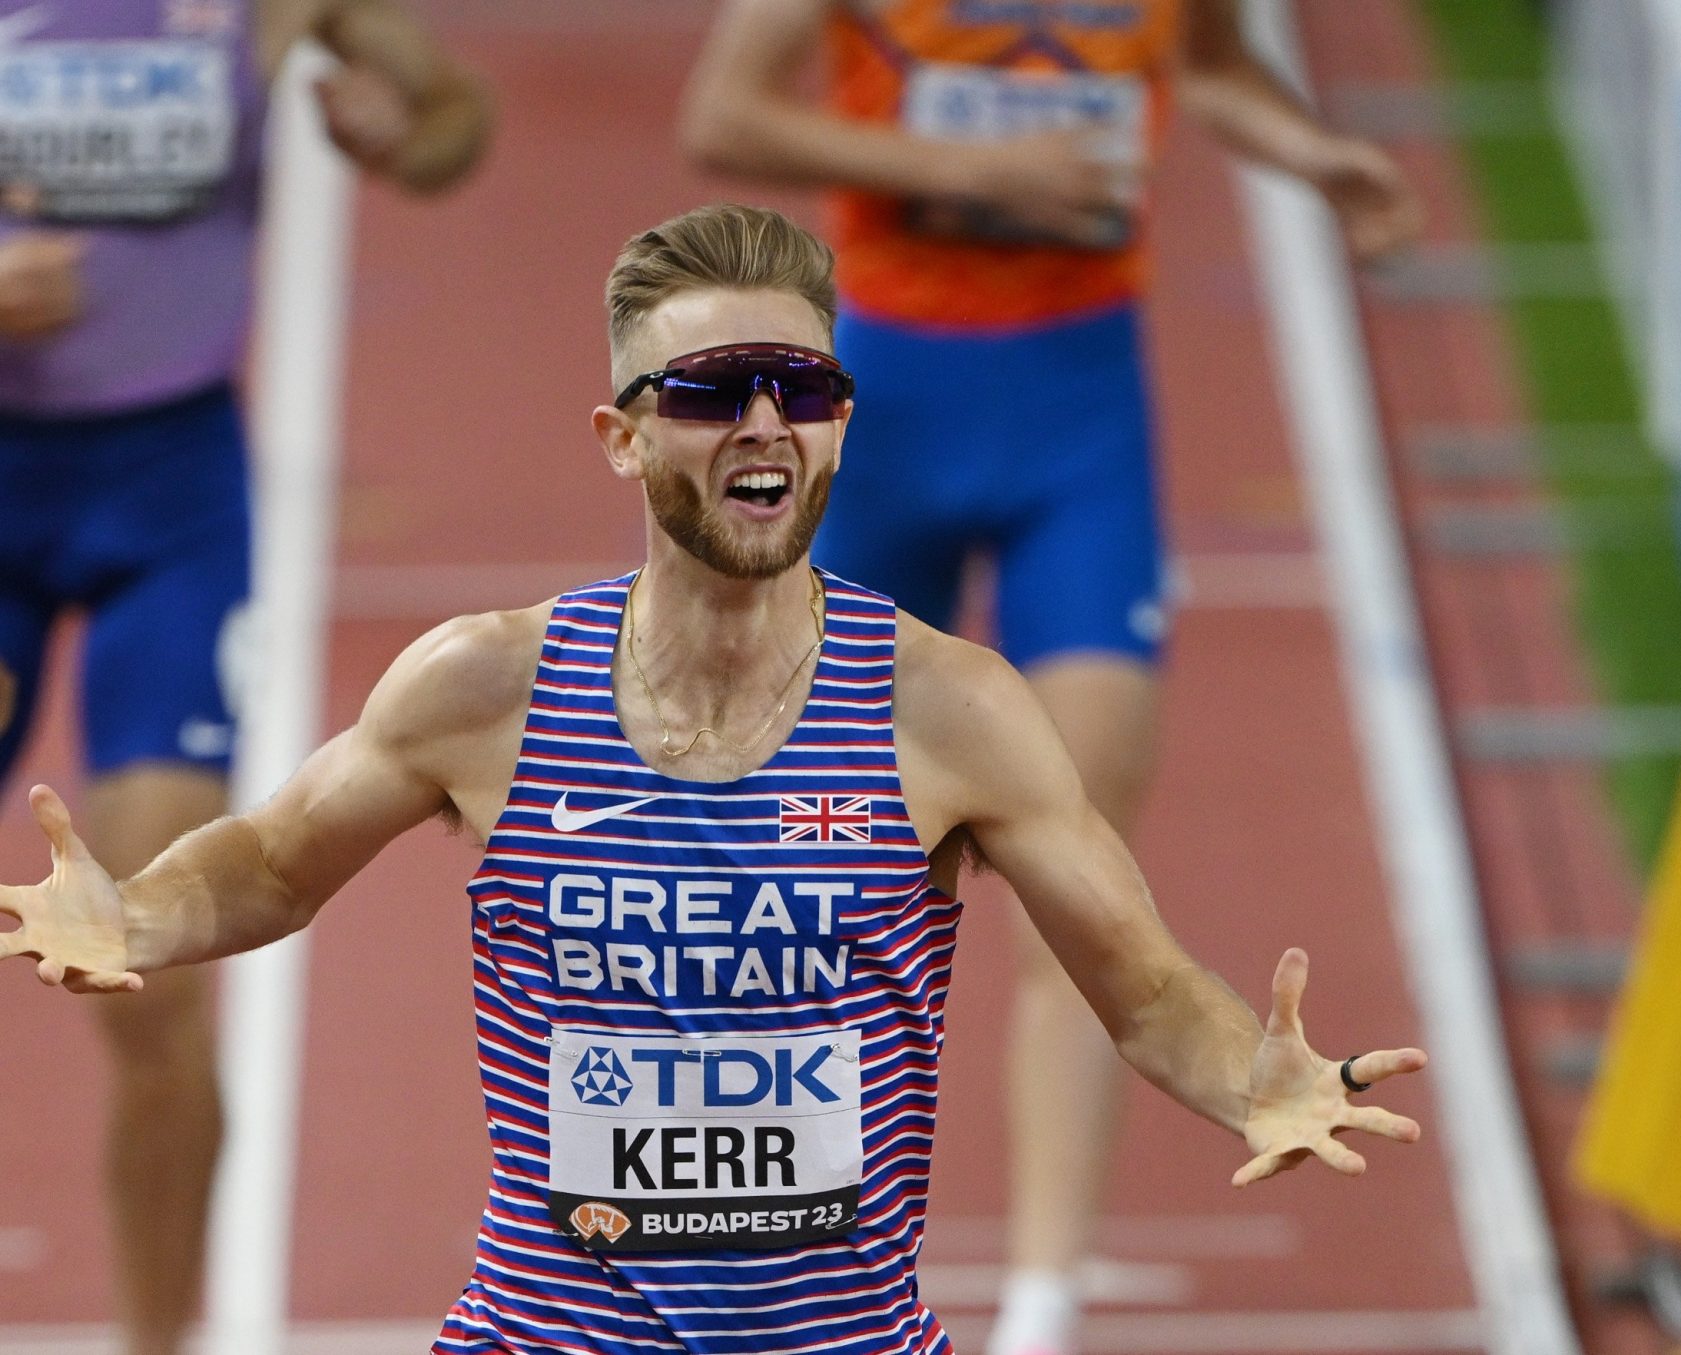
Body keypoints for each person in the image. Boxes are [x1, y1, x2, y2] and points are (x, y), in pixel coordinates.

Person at [0, 202, 1426, 1355]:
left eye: (801, 386)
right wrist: (136, 915)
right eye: (706, 392)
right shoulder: (484, 684)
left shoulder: (950, 710)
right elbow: (268, 860)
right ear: (621, 434)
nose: (762, 421)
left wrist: (1254, 1078)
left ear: (840, 425)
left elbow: (1146, 989)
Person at [676, 5, 1423, 1350]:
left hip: (1080, 418)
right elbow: (724, 111)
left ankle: (1041, 1306)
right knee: (793, 857)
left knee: (1078, 861)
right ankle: (752, 1260)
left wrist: (1320, 155)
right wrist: (973, 176)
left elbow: (1211, 64)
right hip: (883, 408)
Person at [0, 3, 488, 1350]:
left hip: (171, 495)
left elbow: (459, 116)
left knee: (138, 960)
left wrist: (404, 137)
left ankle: (157, 1341)